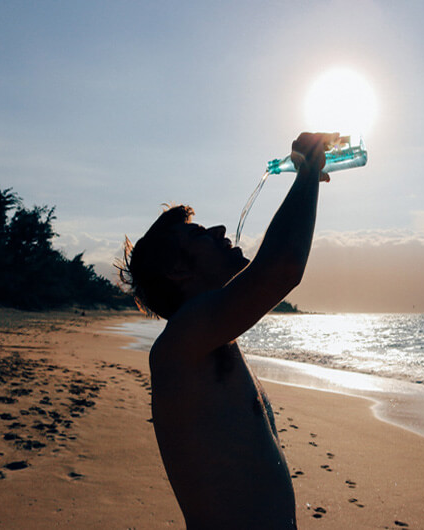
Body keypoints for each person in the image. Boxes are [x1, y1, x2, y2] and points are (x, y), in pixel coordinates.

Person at [119, 132, 337, 529]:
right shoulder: (181, 344)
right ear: (179, 269)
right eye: (199, 234)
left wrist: (306, 179)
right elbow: (282, 267)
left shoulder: (211, 341)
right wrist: (306, 174)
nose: (220, 229)